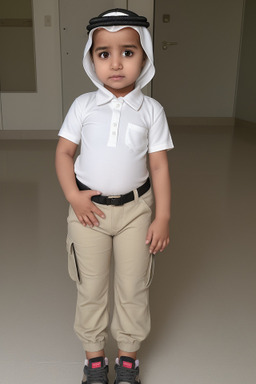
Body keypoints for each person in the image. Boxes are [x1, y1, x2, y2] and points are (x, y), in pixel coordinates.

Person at [55, 8, 174, 384]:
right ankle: (94, 361)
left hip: (137, 211)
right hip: (88, 211)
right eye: (104, 53)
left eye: (128, 51)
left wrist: (162, 216)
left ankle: (127, 361)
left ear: (145, 56)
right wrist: (74, 197)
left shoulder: (151, 111)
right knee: (90, 287)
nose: (116, 63)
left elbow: (158, 168)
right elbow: (63, 154)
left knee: (133, 287)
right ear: (92, 59)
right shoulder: (82, 106)